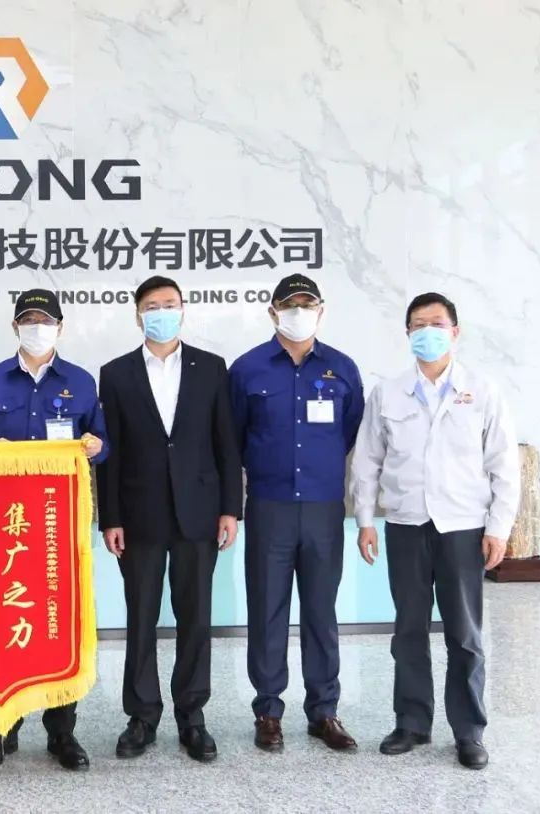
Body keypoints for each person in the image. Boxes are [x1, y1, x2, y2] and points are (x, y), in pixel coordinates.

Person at [351, 292, 520, 770]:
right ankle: (412, 722)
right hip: (405, 525)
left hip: (462, 528)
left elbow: (504, 465)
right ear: (407, 334)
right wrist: (365, 520)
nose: (428, 331)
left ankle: (469, 731)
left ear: (455, 332)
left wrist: (499, 528)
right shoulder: (388, 392)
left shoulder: (482, 390)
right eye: (418, 324)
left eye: (437, 323)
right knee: (408, 629)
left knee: (464, 634)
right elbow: (367, 460)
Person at [97, 275, 242, 764]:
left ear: (183, 310)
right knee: (140, 616)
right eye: (152, 305)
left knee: (194, 616)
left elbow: (225, 442)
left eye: (170, 304)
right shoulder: (115, 373)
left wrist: (230, 508)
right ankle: (141, 715)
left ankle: (191, 715)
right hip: (138, 513)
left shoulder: (211, 367)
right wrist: (110, 517)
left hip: (199, 511)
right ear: (138, 315)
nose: (162, 312)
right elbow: (111, 453)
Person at [0, 288, 106, 772]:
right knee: (4, 620)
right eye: (28, 320)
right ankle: (1, 727)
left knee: (59, 622)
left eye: (45, 321)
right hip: (2, 525)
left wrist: (95, 447)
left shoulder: (81, 382)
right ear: (14, 327)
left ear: (60, 328)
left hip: (57, 523)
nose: (37, 328)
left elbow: (103, 444)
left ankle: (62, 731)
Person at [228, 273, 364, 753]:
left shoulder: (342, 369)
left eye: (307, 305)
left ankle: (324, 712)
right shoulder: (247, 369)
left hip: (324, 507)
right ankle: (268, 711)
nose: (298, 313)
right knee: (267, 609)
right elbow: (234, 435)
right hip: (270, 505)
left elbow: (350, 432)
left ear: (321, 311)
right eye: (290, 305)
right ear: (273, 312)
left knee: (321, 611)